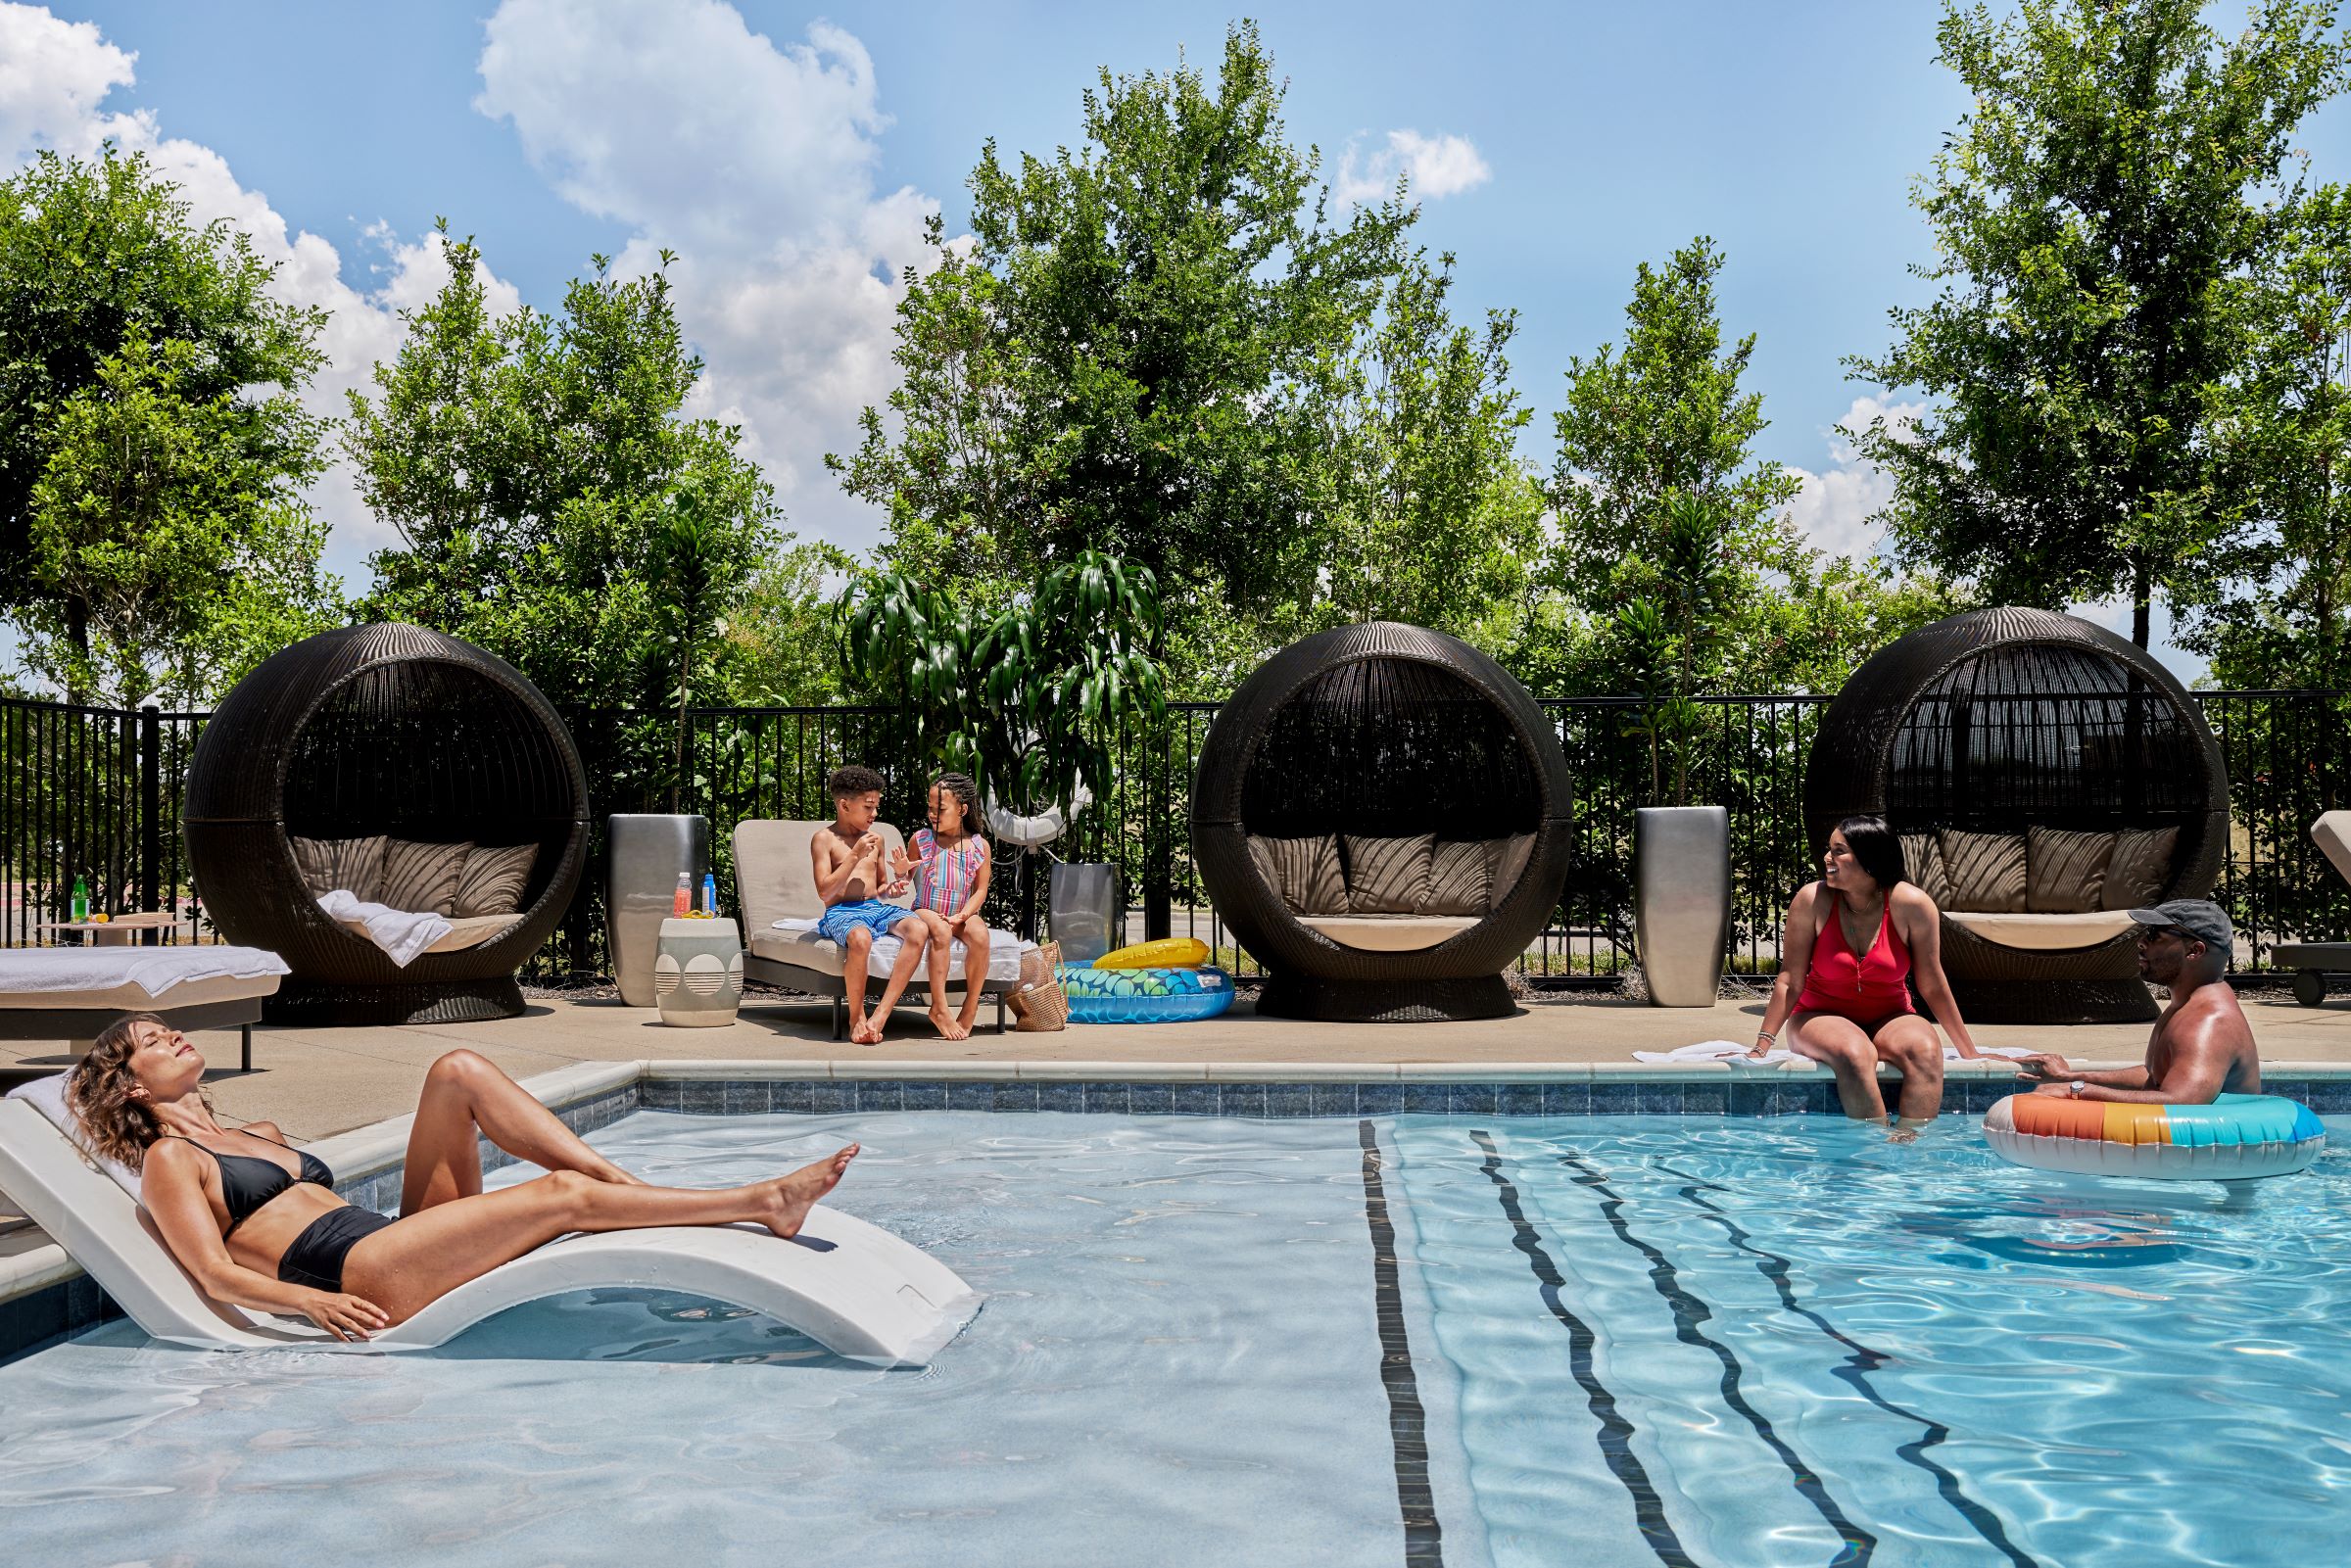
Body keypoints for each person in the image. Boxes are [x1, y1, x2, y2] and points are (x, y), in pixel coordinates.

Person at [66, 1017, 858, 1342]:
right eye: (153, 1044)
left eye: (168, 1029)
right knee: (559, 1199)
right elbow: (211, 1270)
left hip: (391, 1239)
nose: (172, 1037)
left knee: (457, 1069)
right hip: (361, 1273)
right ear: (133, 1087)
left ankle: (631, 1189)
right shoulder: (173, 1160)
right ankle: (762, 1201)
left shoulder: (253, 1133)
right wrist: (314, 1301)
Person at [1747, 814, 1983, 1132]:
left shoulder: (1911, 905)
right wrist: (1762, 1044)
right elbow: (1790, 979)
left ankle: (1909, 1150)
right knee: (1855, 1054)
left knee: (1925, 1052)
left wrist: (1970, 1052)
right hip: (1819, 1015)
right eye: (1829, 849)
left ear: (1870, 858)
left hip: (1891, 1015)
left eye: (1839, 850)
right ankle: (1874, 1152)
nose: (1827, 858)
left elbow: (1932, 984)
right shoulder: (1812, 900)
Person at [2012, 900, 2259, 1104]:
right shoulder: (2186, 1005)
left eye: (2154, 934)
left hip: (2211, 1157)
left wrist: (2076, 1091)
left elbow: (2182, 1101)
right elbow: (2156, 1076)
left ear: (2194, 951)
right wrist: (2069, 1076)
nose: (2141, 942)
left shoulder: (2208, 1022)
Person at [811, 764, 936, 1044]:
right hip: (842, 910)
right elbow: (825, 892)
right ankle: (857, 1017)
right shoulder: (824, 839)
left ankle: (880, 1014)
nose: (875, 814)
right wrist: (854, 855)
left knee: (918, 929)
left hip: (876, 908)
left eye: (876, 806)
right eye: (868, 807)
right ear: (844, 805)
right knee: (860, 937)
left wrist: (895, 886)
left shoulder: (877, 839)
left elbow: (879, 889)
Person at [894, 771, 993, 1042]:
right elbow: (904, 880)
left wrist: (964, 914)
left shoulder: (978, 846)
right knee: (940, 930)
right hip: (927, 907)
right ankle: (938, 1006)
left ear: (962, 809)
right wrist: (901, 872)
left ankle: (970, 1006)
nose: (933, 813)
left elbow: (981, 890)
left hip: (961, 910)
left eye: (940, 808)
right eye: (930, 807)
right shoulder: (921, 840)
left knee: (981, 935)